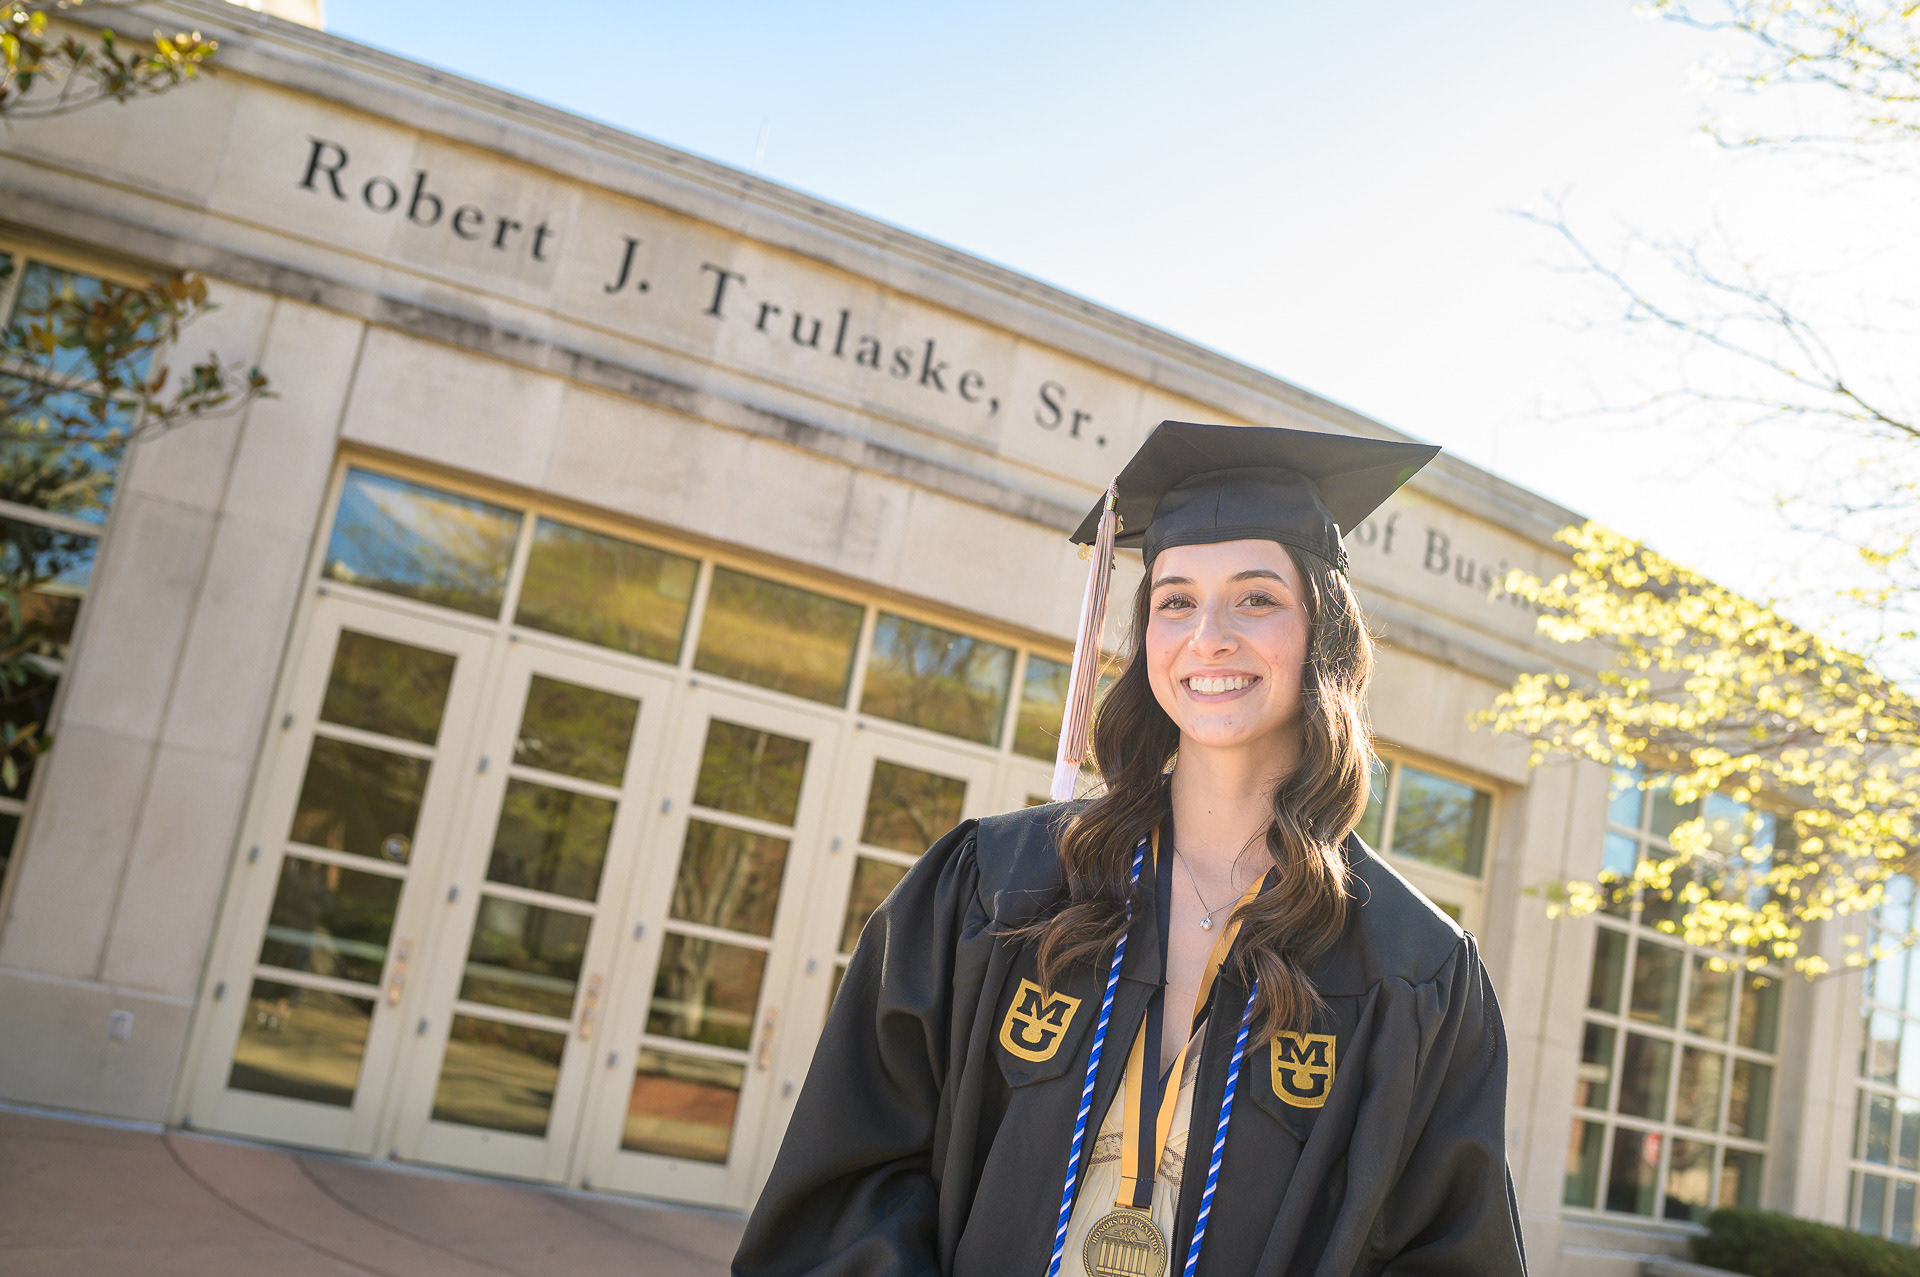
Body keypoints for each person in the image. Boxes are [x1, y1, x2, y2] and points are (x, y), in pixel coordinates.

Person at [733, 422, 1527, 1277]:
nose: (1209, 635)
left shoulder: (1415, 970)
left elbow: (1446, 1254)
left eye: (1257, 598)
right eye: (1175, 600)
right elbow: (856, 1175)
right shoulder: (995, 887)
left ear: (1324, 633)